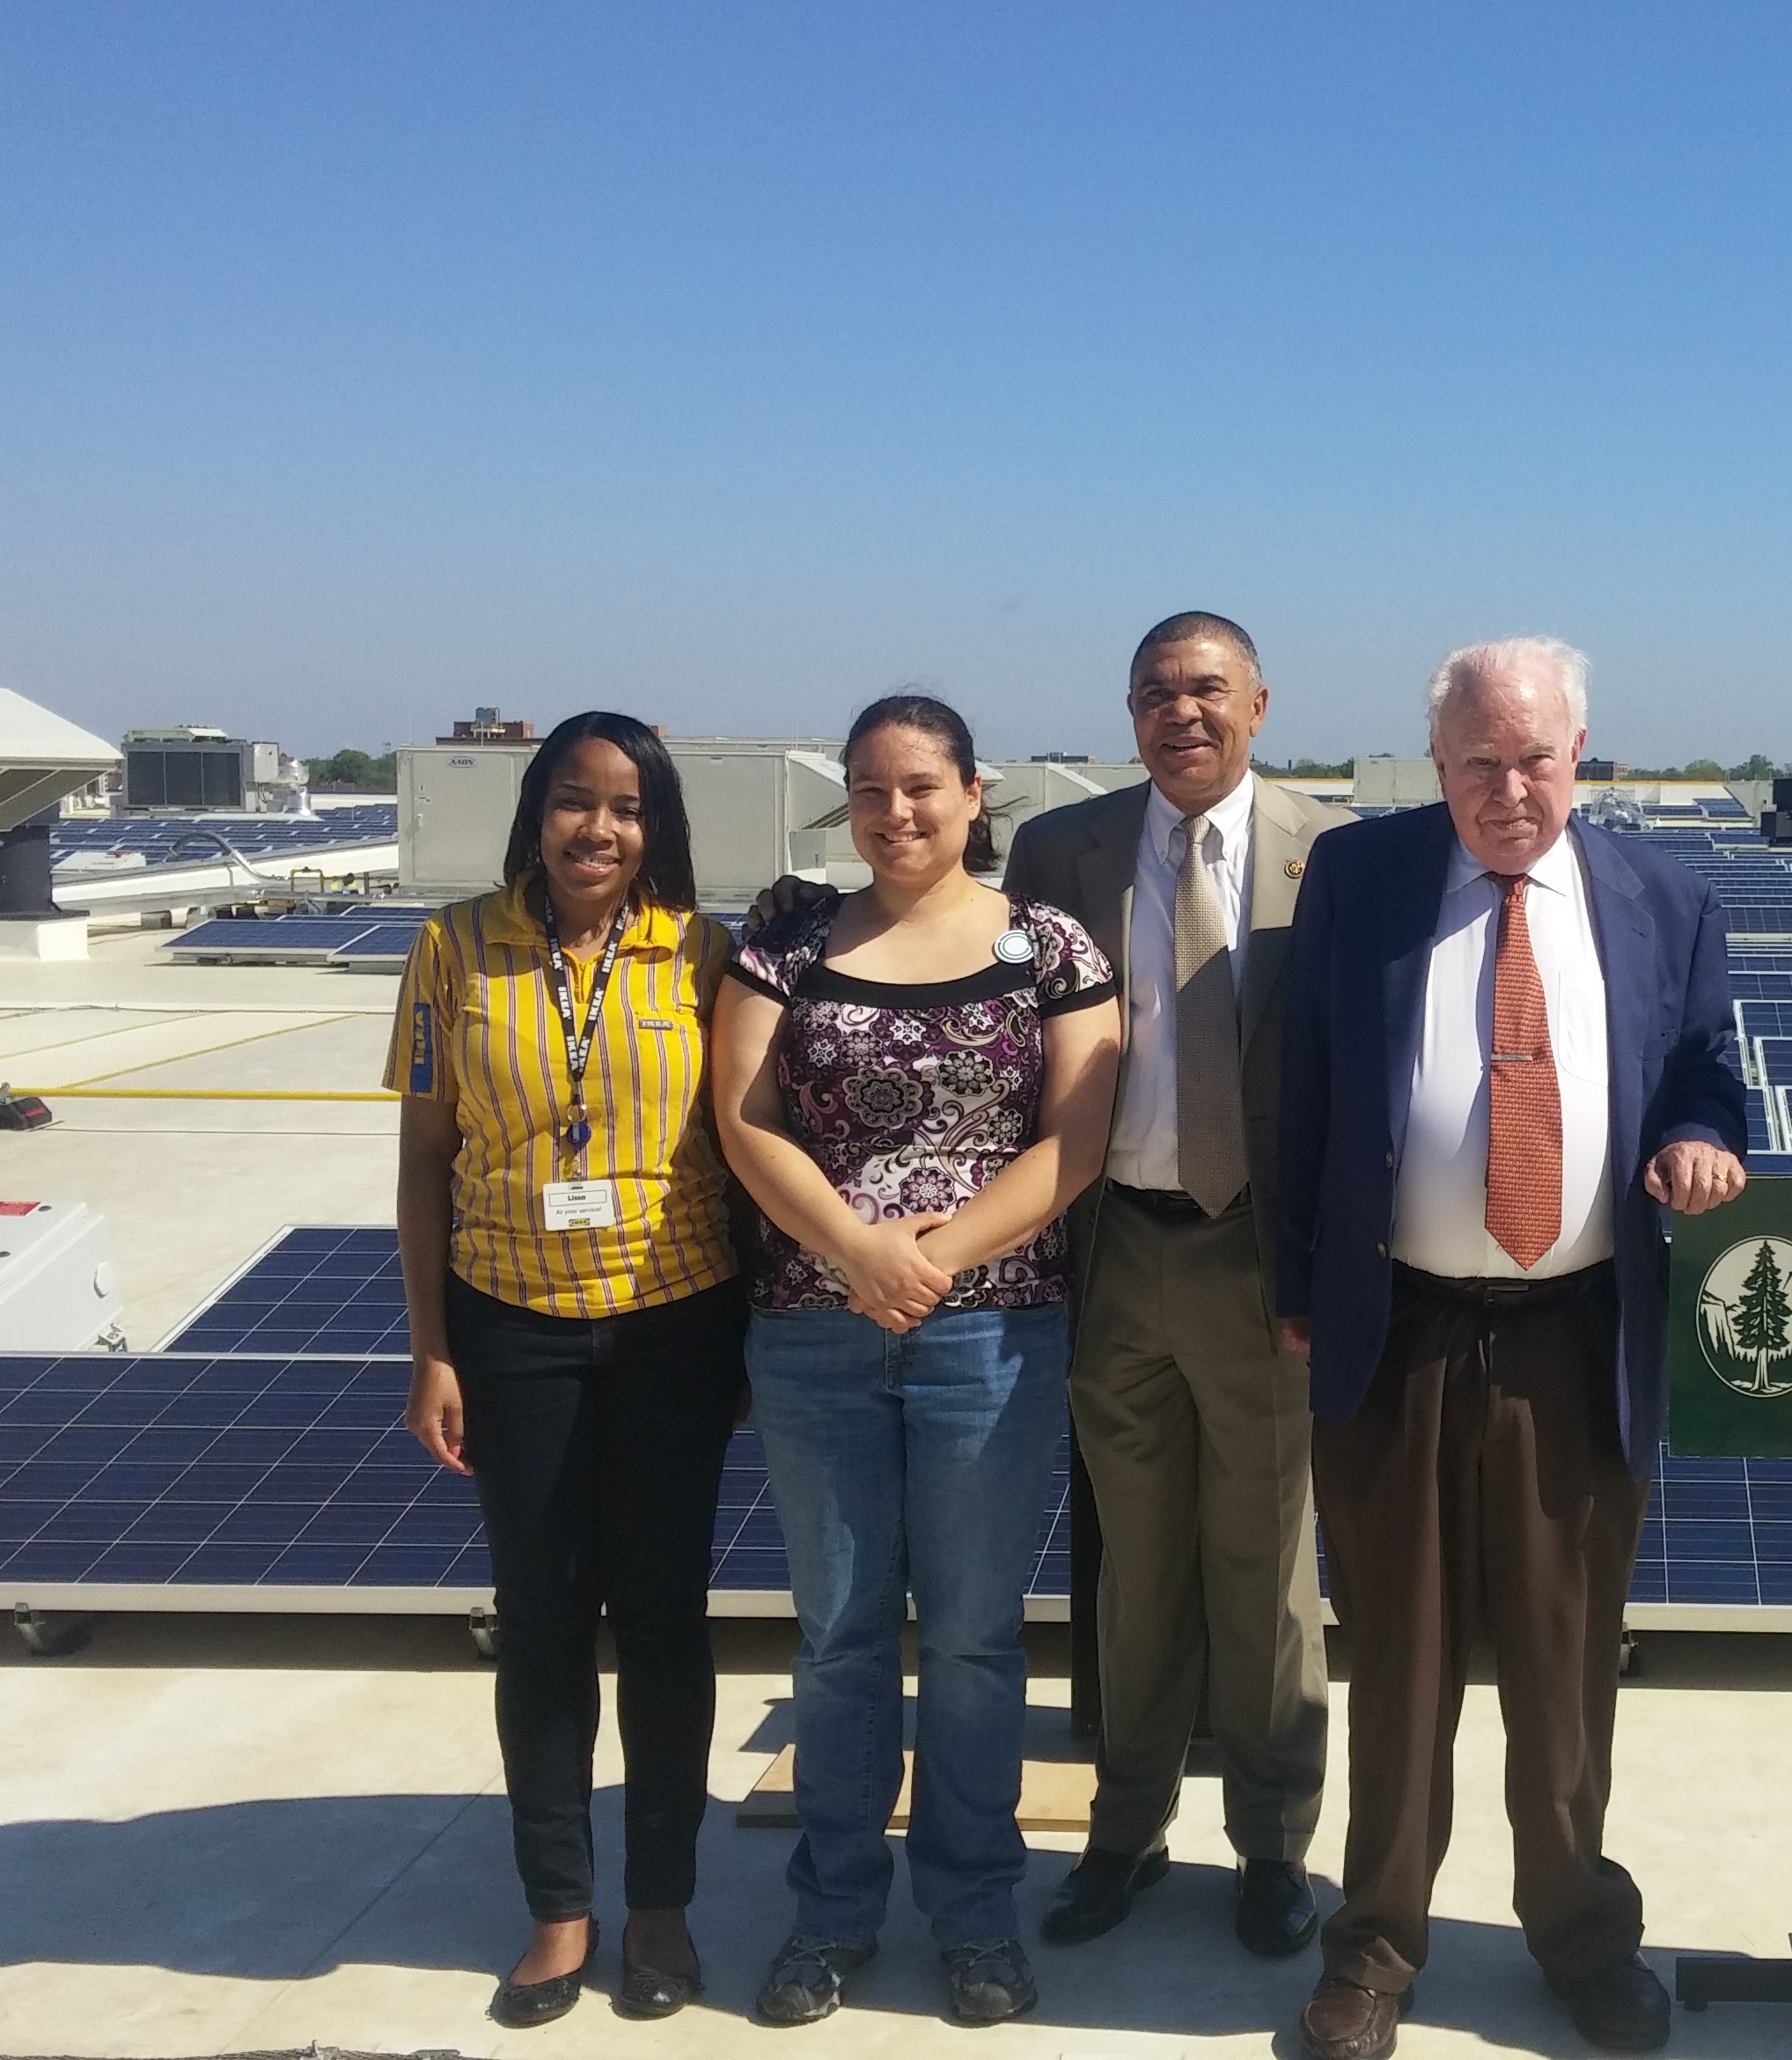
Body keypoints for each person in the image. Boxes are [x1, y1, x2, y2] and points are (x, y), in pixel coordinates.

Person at [1271, 636, 1752, 2060]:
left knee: (1564, 1671)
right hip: (1399, 1328)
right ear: (1437, 764)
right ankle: (1372, 1951)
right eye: (1478, 761)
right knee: (1400, 1670)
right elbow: (1304, 1090)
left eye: (1536, 758)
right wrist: (1297, 1282)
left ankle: (1582, 1938)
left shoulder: (1663, 897)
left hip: (1577, 1336)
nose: (1509, 788)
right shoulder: (1361, 883)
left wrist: (1698, 1133)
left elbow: (1702, 1064)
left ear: (1581, 755)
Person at [710, 693, 1124, 2030]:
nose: (898, 814)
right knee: (835, 1641)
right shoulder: (783, 942)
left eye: (924, 789)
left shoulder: (1049, 946)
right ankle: (830, 1914)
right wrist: (851, 1249)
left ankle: (974, 1917)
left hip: (989, 1338)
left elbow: (1076, 1143)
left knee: (969, 1644)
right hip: (815, 1334)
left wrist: (928, 1259)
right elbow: (745, 1116)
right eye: (874, 791)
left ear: (972, 793)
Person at [1001, 612, 1357, 1957]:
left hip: (1263, 1259)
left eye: (1208, 688)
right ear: (1129, 711)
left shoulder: (1337, 851)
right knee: (1135, 1573)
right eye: (1156, 692)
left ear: (1260, 702)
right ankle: (1126, 1831)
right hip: (1115, 1251)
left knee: (1263, 1575)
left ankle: (1272, 1846)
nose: (1182, 712)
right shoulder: (1061, 850)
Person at [389, 711, 746, 2028]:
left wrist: (754, 1335)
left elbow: (745, 1148)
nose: (601, 830)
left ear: (658, 826)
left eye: (630, 807)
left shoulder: (702, 952)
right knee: (540, 1622)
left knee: (662, 1619)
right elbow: (426, 1158)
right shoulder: (450, 948)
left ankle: (659, 1904)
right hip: (511, 1325)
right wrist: (432, 1347)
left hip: (674, 1325)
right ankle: (558, 1908)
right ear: (536, 810)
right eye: (576, 803)